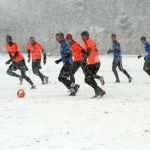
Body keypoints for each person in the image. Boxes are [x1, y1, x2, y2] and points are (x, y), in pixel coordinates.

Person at [81, 31, 105, 98]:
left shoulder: (89, 41)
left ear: (87, 36)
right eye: (82, 36)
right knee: (87, 78)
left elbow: (89, 50)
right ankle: (99, 90)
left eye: (84, 36)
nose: (82, 38)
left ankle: (98, 90)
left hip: (95, 63)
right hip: (93, 63)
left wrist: (86, 55)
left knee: (88, 78)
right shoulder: (87, 42)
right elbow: (87, 51)